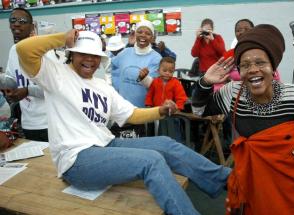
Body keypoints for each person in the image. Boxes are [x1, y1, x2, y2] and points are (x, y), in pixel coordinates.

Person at [15, 29, 231, 215]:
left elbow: (131, 115)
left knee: (166, 144)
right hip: (76, 160)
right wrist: (62, 38)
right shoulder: (56, 75)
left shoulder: (102, 86)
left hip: (104, 144)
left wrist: (161, 111)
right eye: (83, 54)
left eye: (95, 55)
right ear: (71, 54)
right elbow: (24, 49)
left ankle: (227, 181)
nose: (90, 60)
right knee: (151, 160)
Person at [191, 24, 294, 215]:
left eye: (260, 63)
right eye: (245, 65)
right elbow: (199, 111)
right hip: (258, 185)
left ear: (273, 67)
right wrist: (205, 82)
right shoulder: (232, 93)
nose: (253, 69)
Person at [3, 8, 48, 141]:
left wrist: (27, 91)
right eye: (13, 20)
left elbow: (53, 89)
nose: (16, 24)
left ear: (32, 26)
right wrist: (8, 89)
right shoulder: (13, 51)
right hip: (28, 124)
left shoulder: (43, 51)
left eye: (22, 21)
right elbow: (10, 79)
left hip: (49, 123)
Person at [110, 20, 162, 137]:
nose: (143, 35)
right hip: (122, 110)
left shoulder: (156, 58)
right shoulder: (125, 53)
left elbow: (154, 86)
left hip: (144, 113)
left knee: (143, 148)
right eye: (140, 32)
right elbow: (111, 66)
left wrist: (144, 78)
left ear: (152, 37)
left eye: (148, 33)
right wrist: (115, 87)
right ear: (135, 34)